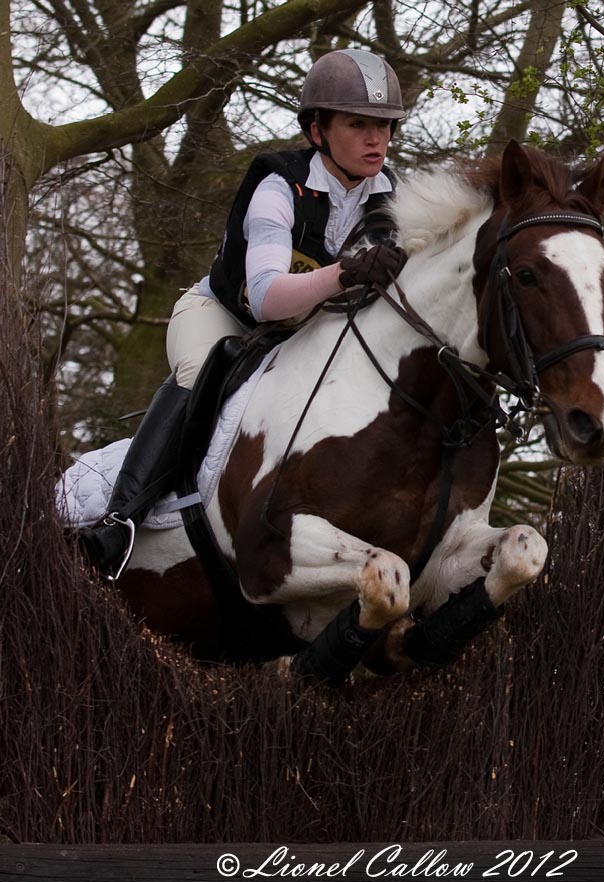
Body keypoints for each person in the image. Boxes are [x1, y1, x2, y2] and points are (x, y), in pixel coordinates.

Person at [79, 49, 409, 580]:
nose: (378, 140)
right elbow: (265, 298)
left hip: (303, 336)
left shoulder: (390, 194)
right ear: (318, 130)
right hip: (223, 317)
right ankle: (120, 521)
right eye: (360, 124)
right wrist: (345, 273)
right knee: (197, 373)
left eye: (386, 126)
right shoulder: (277, 184)